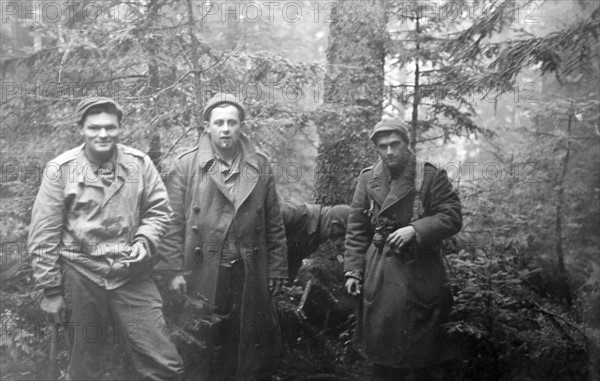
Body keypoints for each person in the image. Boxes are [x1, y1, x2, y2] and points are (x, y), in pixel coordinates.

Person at [28, 97, 184, 380]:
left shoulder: (139, 164)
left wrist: (145, 241)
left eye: (110, 127)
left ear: (119, 128)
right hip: (82, 274)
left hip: (131, 274)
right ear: (81, 129)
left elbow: (159, 211)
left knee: (164, 362)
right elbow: (44, 233)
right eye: (94, 127)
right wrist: (50, 290)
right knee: (86, 367)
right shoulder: (61, 170)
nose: (103, 134)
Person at [159, 93, 288, 381]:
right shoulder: (187, 165)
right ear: (207, 127)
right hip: (202, 270)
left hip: (247, 269)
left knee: (245, 342)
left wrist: (277, 268)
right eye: (219, 123)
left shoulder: (261, 165)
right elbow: (171, 223)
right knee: (201, 341)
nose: (226, 129)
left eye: (232, 122)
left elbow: (274, 222)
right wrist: (173, 271)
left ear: (242, 126)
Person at [343, 119, 462, 380]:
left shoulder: (429, 176)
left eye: (394, 144)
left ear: (406, 144)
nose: (389, 152)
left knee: (425, 359)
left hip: (422, 272)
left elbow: (452, 217)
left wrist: (416, 230)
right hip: (380, 272)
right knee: (382, 357)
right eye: (382, 146)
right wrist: (353, 271)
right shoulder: (368, 179)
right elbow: (357, 229)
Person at [281, 201, 350, 281]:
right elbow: (270, 219)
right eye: (339, 234)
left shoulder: (314, 239)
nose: (337, 241)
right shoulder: (296, 212)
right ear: (334, 223)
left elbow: (292, 263)